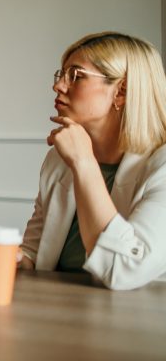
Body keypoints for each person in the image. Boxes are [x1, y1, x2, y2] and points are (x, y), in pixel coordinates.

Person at [20, 32, 166, 290]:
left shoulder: (160, 166)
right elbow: (33, 251)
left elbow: (122, 271)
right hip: (54, 310)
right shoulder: (59, 158)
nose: (58, 86)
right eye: (61, 74)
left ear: (121, 91)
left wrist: (84, 163)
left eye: (76, 76)